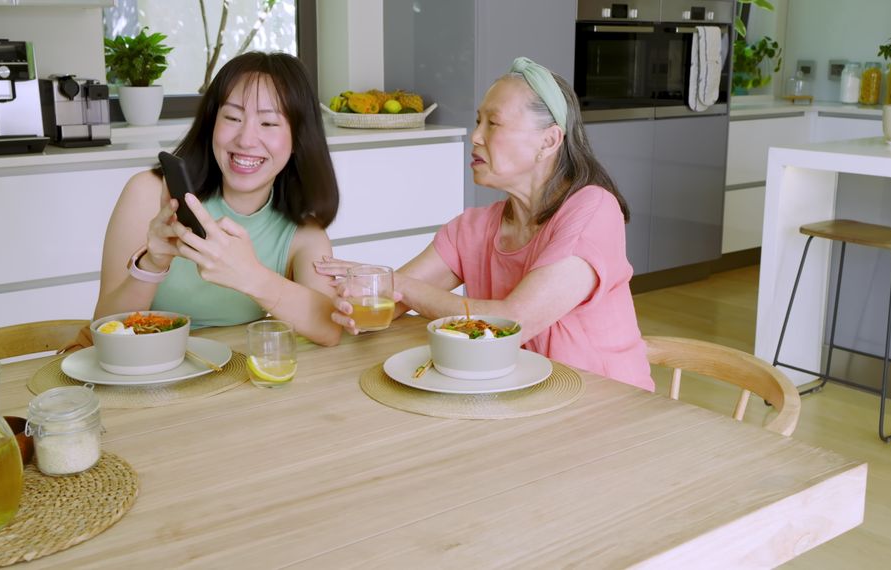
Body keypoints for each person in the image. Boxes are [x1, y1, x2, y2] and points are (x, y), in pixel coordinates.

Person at [317, 57, 653, 391]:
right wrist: (358, 299)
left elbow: (511, 322)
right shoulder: (473, 228)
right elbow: (394, 301)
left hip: (604, 406)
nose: (475, 136)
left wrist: (391, 282)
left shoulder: (593, 209)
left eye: (493, 123)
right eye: (478, 121)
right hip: (517, 400)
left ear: (548, 141)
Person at [92, 52, 342, 347]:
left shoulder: (303, 232)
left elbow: (329, 327)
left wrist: (251, 275)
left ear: (298, 139)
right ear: (212, 124)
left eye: (269, 123)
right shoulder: (149, 194)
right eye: (233, 117)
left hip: (234, 376)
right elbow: (104, 329)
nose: (246, 139)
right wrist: (152, 263)